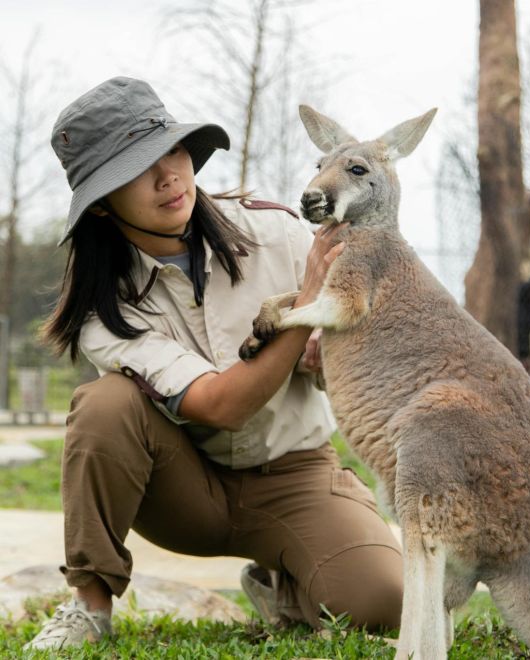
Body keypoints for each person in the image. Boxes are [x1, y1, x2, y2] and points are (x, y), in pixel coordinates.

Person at [24, 77, 403, 651]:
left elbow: (357, 347)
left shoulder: (276, 230)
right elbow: (222, 406)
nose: (168, 175)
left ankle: (283, 581)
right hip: (183, 487)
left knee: (383, 604)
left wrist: (330, 347)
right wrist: (303, 308)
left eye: (171, 150)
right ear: (101, 204)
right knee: (104, 405)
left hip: (295, 473)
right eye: (135, 169)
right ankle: (89, 605)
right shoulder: (104, 309)